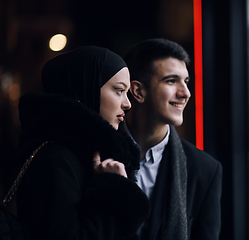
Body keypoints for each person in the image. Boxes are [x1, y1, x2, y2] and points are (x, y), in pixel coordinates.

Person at [16, 46, 149, 240]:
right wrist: (113, 189)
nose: (127, 104)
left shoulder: (88, 155)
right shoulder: (56, 160)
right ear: (86, 88)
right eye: (119, 90)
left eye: (127, 93)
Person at [123, 38, 223, 240]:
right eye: (171, 80)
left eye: (186, 82)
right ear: (137, 91)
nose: (185, 93)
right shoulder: (95, 155)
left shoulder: (204, 170)